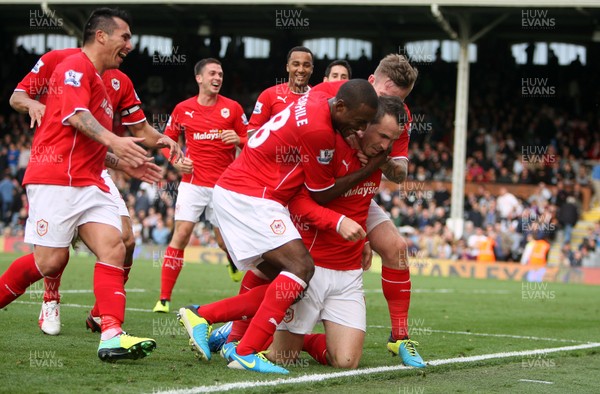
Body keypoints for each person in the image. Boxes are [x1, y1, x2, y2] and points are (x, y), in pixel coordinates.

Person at [177, 80, 385, 374]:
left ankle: (204, 317)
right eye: (359, 122)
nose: (361, 130)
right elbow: (320, 192)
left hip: (246, 190)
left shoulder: (321, 95)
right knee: (302, 268)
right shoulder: (319, 132)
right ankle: (246, 351)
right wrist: (370, 167)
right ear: (339, 107)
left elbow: (348, 87)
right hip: (252, 195)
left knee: (292, 285)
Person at [0, 8, 162, 361]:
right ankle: (50, 299)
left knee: (116, 246)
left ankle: (111, 334)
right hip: (55, 180)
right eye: (125, 37)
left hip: (89, 182)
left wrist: (126, 160)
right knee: (50, 262)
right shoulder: (73, 66)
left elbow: (91, 141)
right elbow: (75, 117)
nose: (130, 45)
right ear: (101, 36)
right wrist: (116, 141)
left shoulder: (106, 80)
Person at [270, 96, 405, 369]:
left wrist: (364, 239)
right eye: (382, 136)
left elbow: (360, 202)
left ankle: (304, 340)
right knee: (281, 358)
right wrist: (337, 222)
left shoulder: (377, 158)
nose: (386, 146)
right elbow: (297, 200)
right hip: (310, 267)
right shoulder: (327, 147)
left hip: (348, 274)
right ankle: (239, 333)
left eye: (392, 140)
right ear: (363, 126)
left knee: (346, 362)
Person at [152, 58, 248, 313]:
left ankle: (232, 260)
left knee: (224, 242)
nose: (218, 78)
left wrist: (239, 138)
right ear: (199, 78)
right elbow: (165, 141)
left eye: (221, 74)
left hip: (223, 187)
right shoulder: (183, 109)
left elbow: (253, 141)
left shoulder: (234, 109)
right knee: (181, 234)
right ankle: (163, 299)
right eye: (213, 73)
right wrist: (176, 161)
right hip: (192, 184)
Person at [247, 46, 313, 134]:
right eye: (296, 64)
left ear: (312, 69)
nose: (301, 70)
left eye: (306, 65)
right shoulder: (269, 95)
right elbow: (252, 131)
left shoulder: (319, 98)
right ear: (287, 67)